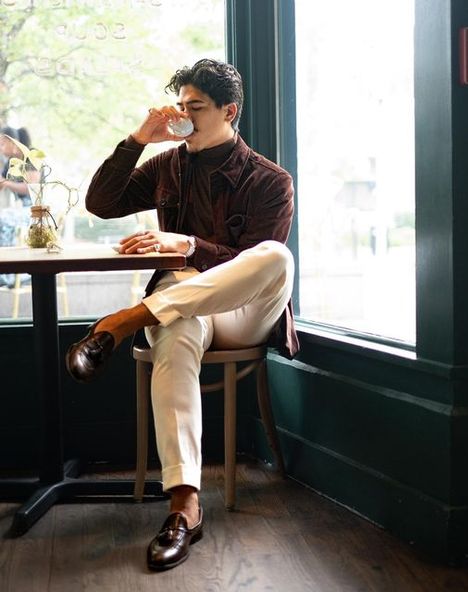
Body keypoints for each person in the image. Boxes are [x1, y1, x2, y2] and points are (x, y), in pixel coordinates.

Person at [65, 59, 299, 571]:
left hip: (245, 309)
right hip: (184, 301)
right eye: (182, 105)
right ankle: (183, 507)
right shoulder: (166, 164)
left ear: (228, 111)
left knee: (276, 257)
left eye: (197, 107)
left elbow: (252, 263)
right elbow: (101, 204)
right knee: (173, 332)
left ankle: (122, 322)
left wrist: (187, 243)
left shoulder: (270, 180)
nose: (185, 114)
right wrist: (139, 138)